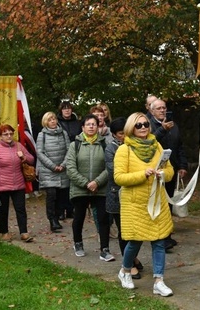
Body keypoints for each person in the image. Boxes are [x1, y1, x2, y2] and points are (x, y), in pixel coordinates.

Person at [114, 112, 175, 295]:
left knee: (159, 240)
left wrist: (162, 174)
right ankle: (125, 271)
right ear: (131, 128)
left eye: (146, 124)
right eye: (138, 125)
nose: (143, 128)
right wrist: (143, 175)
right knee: (135, 242)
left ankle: (159, 281)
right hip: (135, 203)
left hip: (156, 200)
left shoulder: (157, 146)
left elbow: (169, 170)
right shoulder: (124, 149)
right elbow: (119, 177)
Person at [65, 114, 114, 261]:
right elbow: (70, 168)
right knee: (79, 217)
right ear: (82, 127)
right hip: (80, 189)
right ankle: (78, 243)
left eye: (94, 124)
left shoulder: (105, 144)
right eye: (88, 124)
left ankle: (105, 249)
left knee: (103, 219)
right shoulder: (75, 145)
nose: (91, 126)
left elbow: (109, 167)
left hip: (101, 188)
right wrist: (86, 183)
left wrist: (97, 182)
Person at [105, 117, 144, 279]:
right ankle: (127, 264)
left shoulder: (135, 145)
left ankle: (132, 257)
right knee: (124, 232)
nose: (124, 136)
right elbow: (114, 172)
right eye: (121, 133)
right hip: (117, 195)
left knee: (136, 231)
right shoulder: (110, 149)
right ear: (114, 134)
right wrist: (135, 173)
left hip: (135, 193)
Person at [0, 124, 35, 242]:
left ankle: (24, 232)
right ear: (0, 136)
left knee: (21, 209)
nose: (9, 136)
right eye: (5, 134)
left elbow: (32, 159)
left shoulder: (18, 146)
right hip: (1, 185)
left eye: (11, 134)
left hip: (18, 184)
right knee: (2, 210)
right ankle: (4, 232)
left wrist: (24, 157)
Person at [149, 99, 187, 250]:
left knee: (168, 204)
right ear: (152, 111)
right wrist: (162, 129)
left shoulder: (173, 125)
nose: (162, 110)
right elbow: (150, 143)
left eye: (164, 108)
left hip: (171, 170)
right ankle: (159, 237)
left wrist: (182, 165)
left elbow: (179, 146)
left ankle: (167, 236)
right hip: (155, 172)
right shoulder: (147, 125)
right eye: (158, 108)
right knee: (159, 204)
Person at [36, 112, 71, 233]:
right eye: (50, 119)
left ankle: (58, 216)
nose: (53, 121)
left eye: (54, 119)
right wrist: (52, 166)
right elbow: (39, 153)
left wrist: (63, 165)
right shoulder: (42, 135)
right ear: (45, 122)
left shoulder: (63, 133)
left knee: (61, 196)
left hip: (62, 170)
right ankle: (52, 220)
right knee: (51, 195)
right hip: (48, 171)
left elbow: (69, 149)